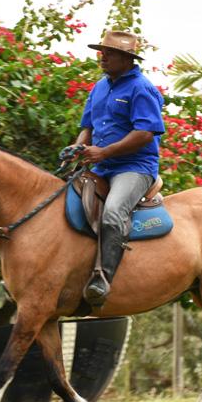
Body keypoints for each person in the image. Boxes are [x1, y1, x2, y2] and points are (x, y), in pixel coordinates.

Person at [64, 30, 165, 306]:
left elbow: (145, 133)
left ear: (127, 59)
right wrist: (78, 148)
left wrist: (104, 152)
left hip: (134, 167)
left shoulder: (141, 88)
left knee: (112, 213)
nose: (102, 57)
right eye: (102, 51)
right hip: (101, 166)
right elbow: (88, 127)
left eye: (109, 53)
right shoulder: (99, 86)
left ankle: (102, 278)